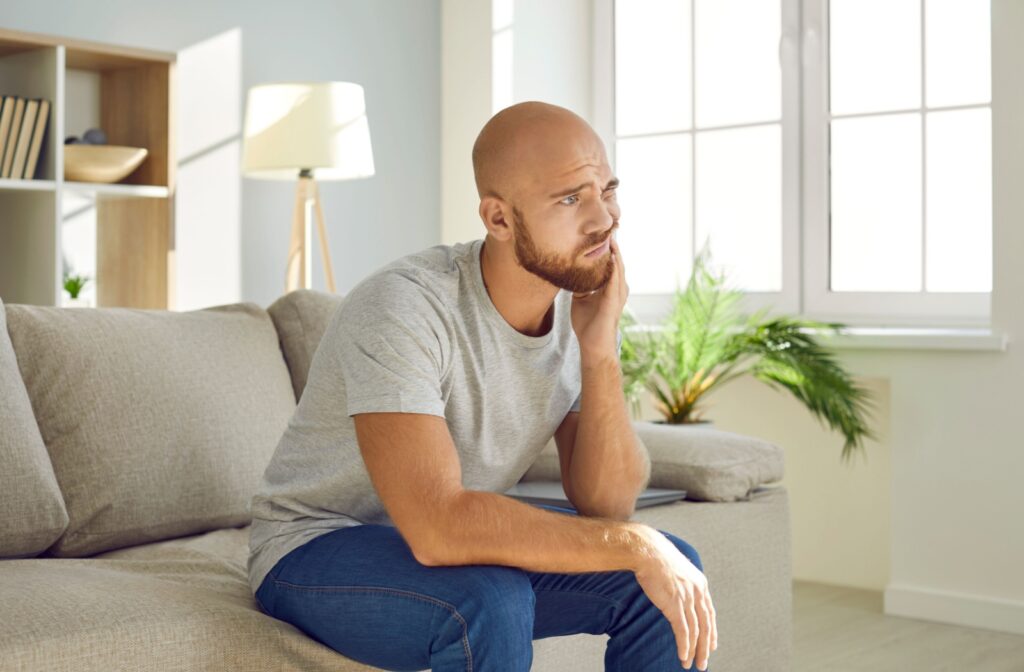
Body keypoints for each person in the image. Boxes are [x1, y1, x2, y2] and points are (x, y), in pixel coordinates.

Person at [247, 101, 718, 671]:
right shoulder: (405, 306)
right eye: (570, 199)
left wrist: (599, 353)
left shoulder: (579, 305)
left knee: (669, 569)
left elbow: (608, 503)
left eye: (606, 190)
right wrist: (633, 543)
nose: (603, 219)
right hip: (312, 549)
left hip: (442, 552)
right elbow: (438, 528)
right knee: (490, 599)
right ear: (498, 219)